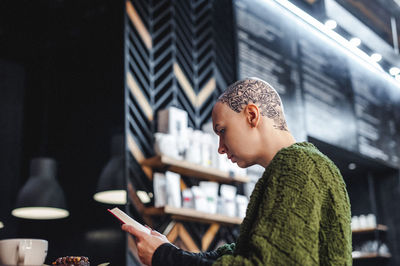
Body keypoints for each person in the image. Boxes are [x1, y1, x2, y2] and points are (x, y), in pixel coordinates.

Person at [122, 77, 352, 265]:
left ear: (252, 116)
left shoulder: (299, 166)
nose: (220, 148)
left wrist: (165, 257)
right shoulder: (300, 165)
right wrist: (169, 251)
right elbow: (243, 250)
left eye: (222, 130)